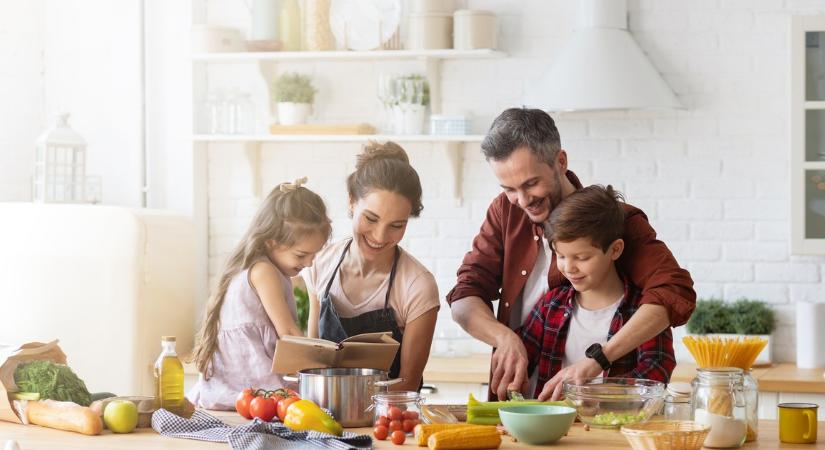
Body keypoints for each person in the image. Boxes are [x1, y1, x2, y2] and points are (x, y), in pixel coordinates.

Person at [447, 107, 695, 400]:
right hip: (525, 404)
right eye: (509, 189)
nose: (522, 200)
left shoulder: (614, 220)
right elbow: (464, 296)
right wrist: (504, 338)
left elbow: (673, 291)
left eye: (531, 184)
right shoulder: (505, 211)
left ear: (560, 161)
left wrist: (599, 360)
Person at [304, 142, 439, 392]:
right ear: (351, 202)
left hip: (387, 421)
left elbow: (408, 385)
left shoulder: (417, 285)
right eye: (371, 218)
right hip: (323, 416)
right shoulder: (320, 263)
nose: (379, 236)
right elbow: (312, 364)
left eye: (396, 225)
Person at [519, 185, 676, 400]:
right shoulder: (550, 305)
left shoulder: (643, 311)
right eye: (561, 256)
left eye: (582, 258)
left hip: (615, 428)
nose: (568, 268)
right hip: (553, 428)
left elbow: (657, 372)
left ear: (615, 249)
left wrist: (591, 393)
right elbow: (522, 358)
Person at [188, 178, 331, 409]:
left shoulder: (260, 267)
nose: (309, 263)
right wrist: (320, 365)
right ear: (272, 242)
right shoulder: (264, 271)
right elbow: (288, 332)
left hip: (235, 388)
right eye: (301, 255)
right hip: (251, 386)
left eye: (314, 255)